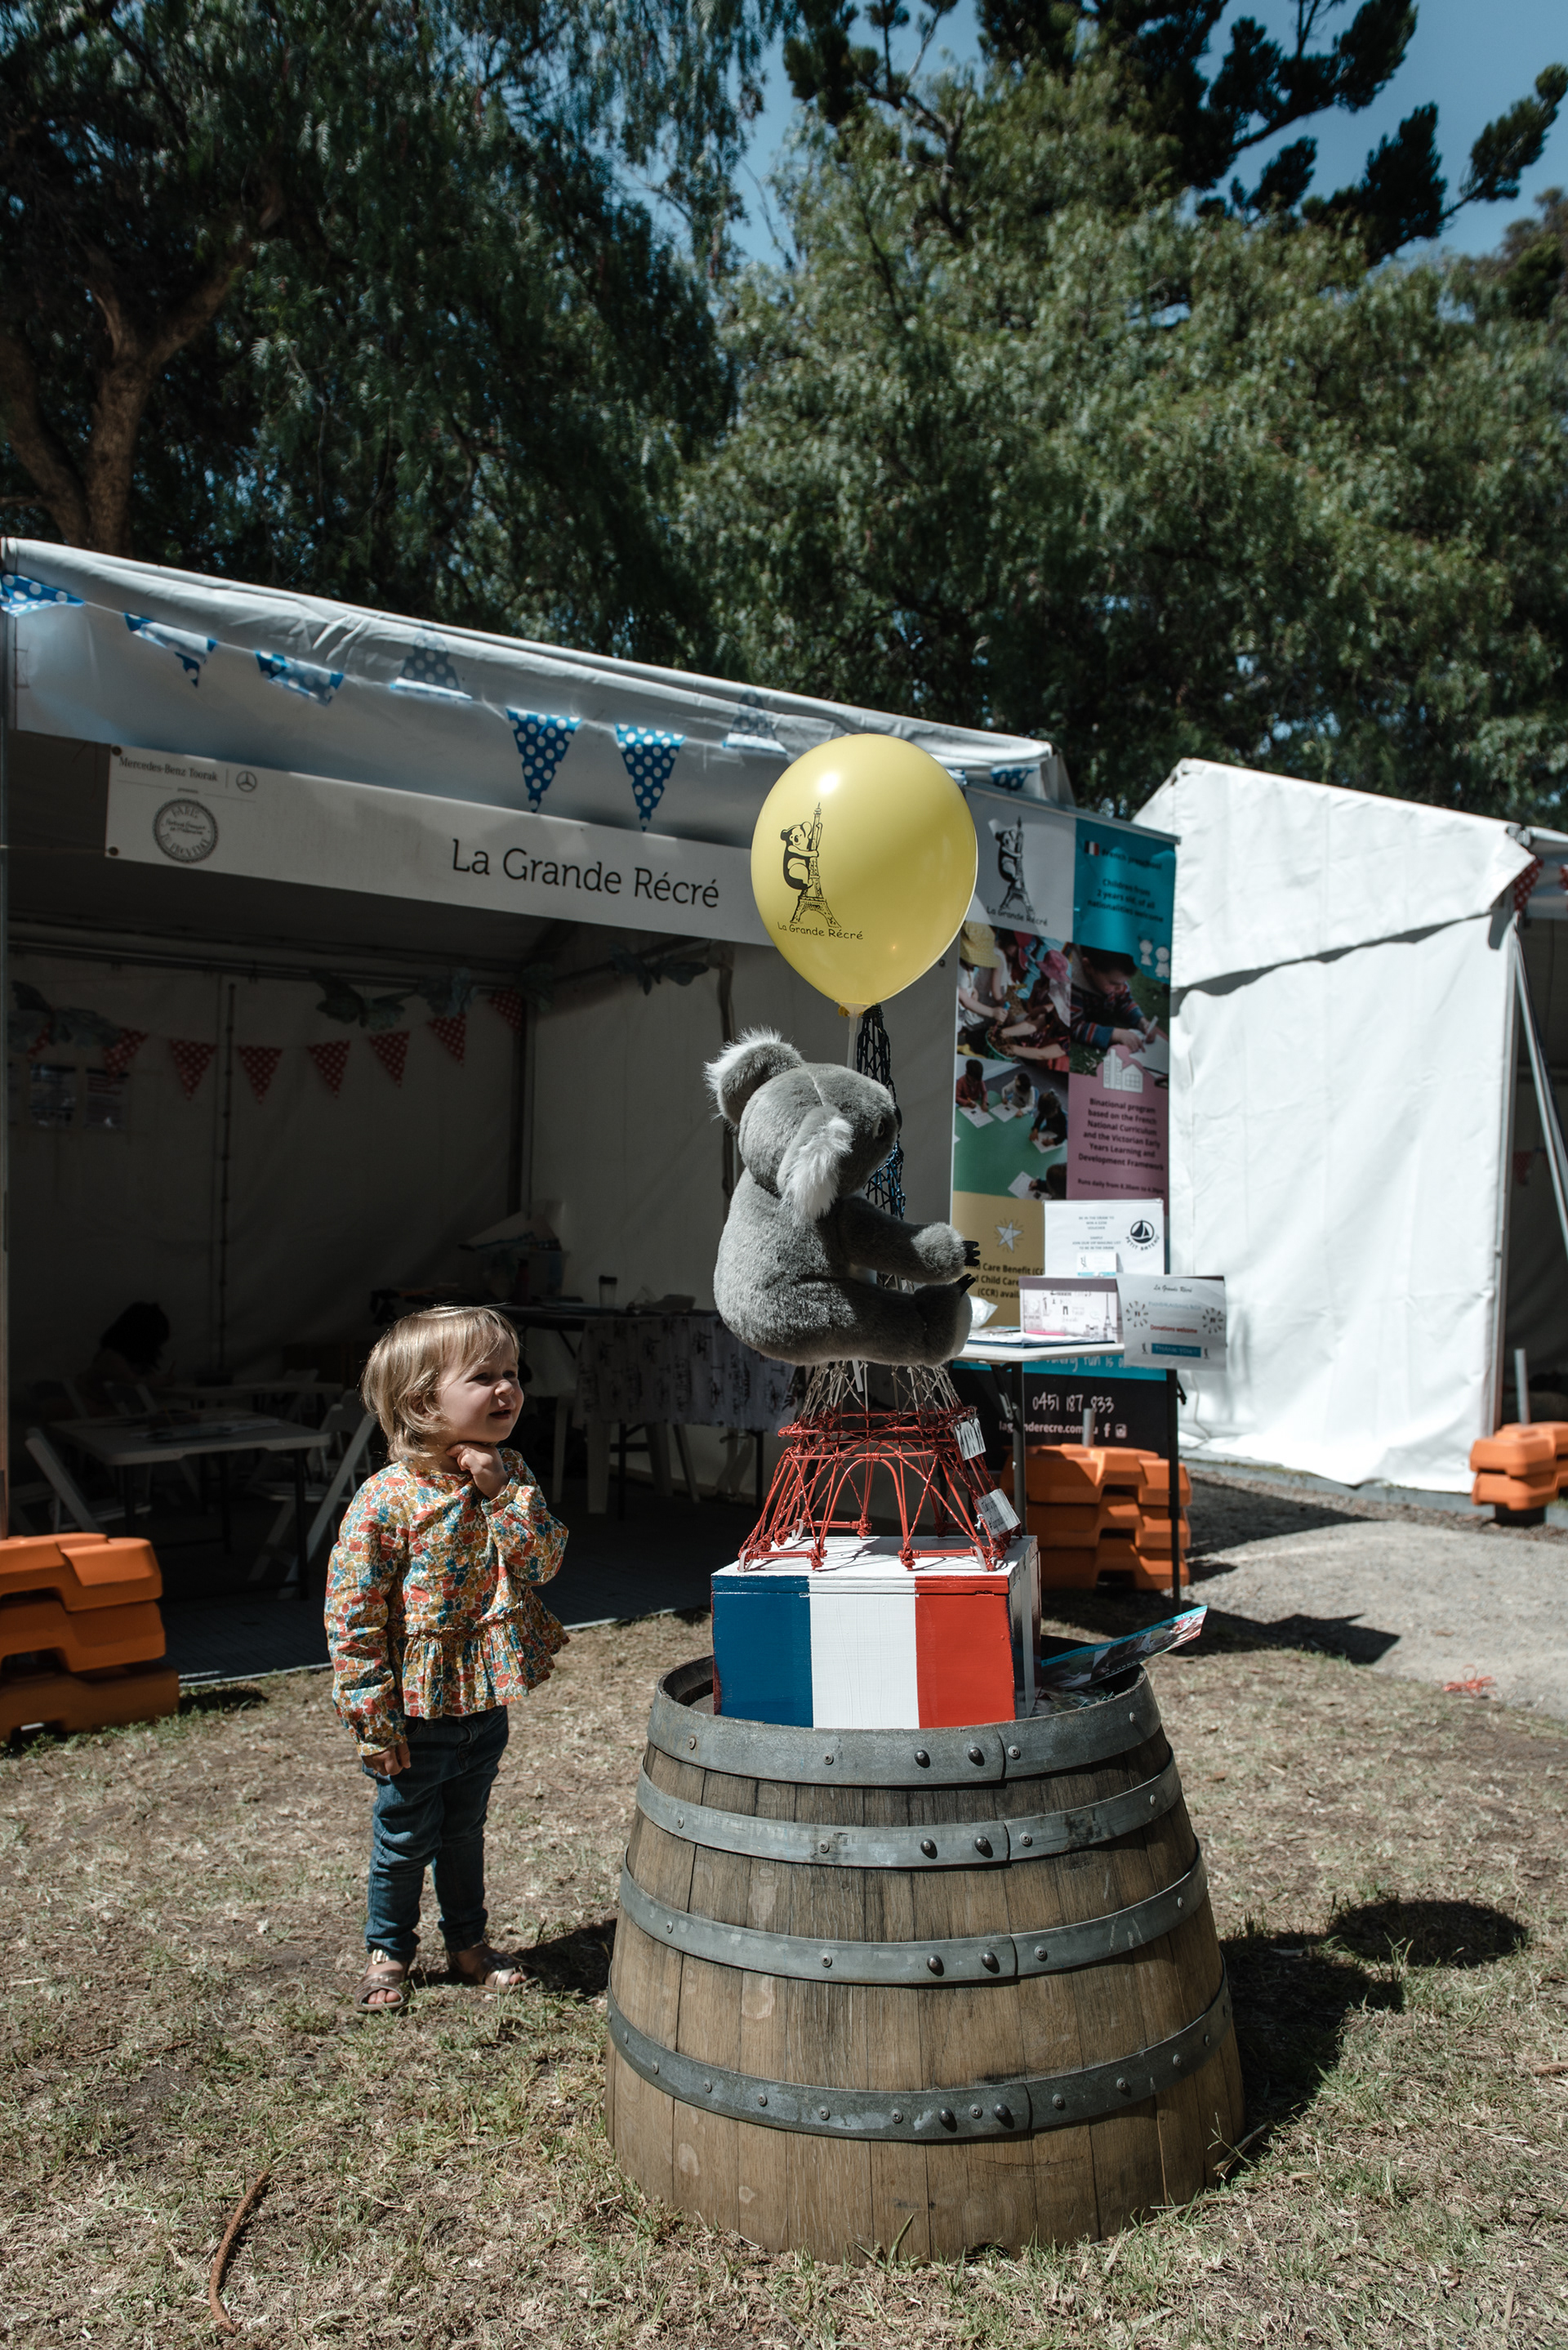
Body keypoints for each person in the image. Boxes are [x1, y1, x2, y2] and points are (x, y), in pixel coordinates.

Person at [324, 1304, 567, 2013]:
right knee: (404, 1836)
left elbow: (544, 1561)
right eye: (484, 1376)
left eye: (513, 1372)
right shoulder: (387, 1499)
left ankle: (468, 1943)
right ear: (424, 1400)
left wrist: (500, 1491)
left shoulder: (510, 1474)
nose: (508, 1388)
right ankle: (389, 1953)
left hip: (482, 1704)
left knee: (464, 1831)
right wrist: (373, 1718)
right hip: (414, 1712)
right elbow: (353, 1616)